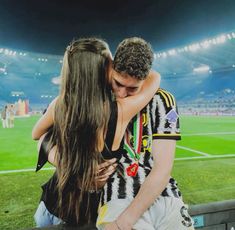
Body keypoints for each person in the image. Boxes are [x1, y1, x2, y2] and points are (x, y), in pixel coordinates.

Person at [32, 37, 160, 227]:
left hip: (50, 207)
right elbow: (154, 77)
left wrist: (59, 158)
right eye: (110, 63)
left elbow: (37, 134)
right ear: (100, 72)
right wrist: (64, 162)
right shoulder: (121, 110)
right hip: (84, 216)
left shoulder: (60, 104)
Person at [96, 37, 194, 230]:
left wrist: (125, 222)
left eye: (132, 88)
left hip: (164, 196)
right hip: (118, 195)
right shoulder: (99, 96)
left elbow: (162, 168)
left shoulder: (163, 100)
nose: (122, 94)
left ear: (146, 79)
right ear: (112, 70)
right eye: (118, 83)